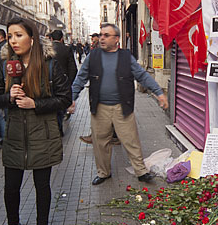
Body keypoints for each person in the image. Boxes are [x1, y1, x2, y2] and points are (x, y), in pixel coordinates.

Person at [0, 18, 70, 225]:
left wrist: (34, 103)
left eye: (18, 35)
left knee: (42, 186)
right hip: (15, 133)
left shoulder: (50, 65)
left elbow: (65, 98)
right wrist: (10, 97)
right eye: (10, 35)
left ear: (32, 38)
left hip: (42, 133)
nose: (13, 41)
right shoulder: (5, 65)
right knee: (11, 187)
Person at [69, 23, 167, 185]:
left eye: (106, 35)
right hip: (99, 108)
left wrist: (158, 92)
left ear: (116, 39)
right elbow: (81, 78)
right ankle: (103, 172)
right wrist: (71, 97)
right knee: (100, 142)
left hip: (122, 107)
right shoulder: (93, 57)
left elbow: (142, 75)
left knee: (131, 140)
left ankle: (141, 171)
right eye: (101, 35)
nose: (102, 38)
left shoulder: (125, 56)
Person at [48, 29, 78, 132]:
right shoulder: (66, 49)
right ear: (62, 39)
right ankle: (59, 126)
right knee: (60, 104)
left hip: (50, 81)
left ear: (51, 38)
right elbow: (73, 68)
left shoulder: (47, 49)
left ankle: (56, 127)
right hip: (63, 81)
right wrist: (69, 82)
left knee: (53, 105)